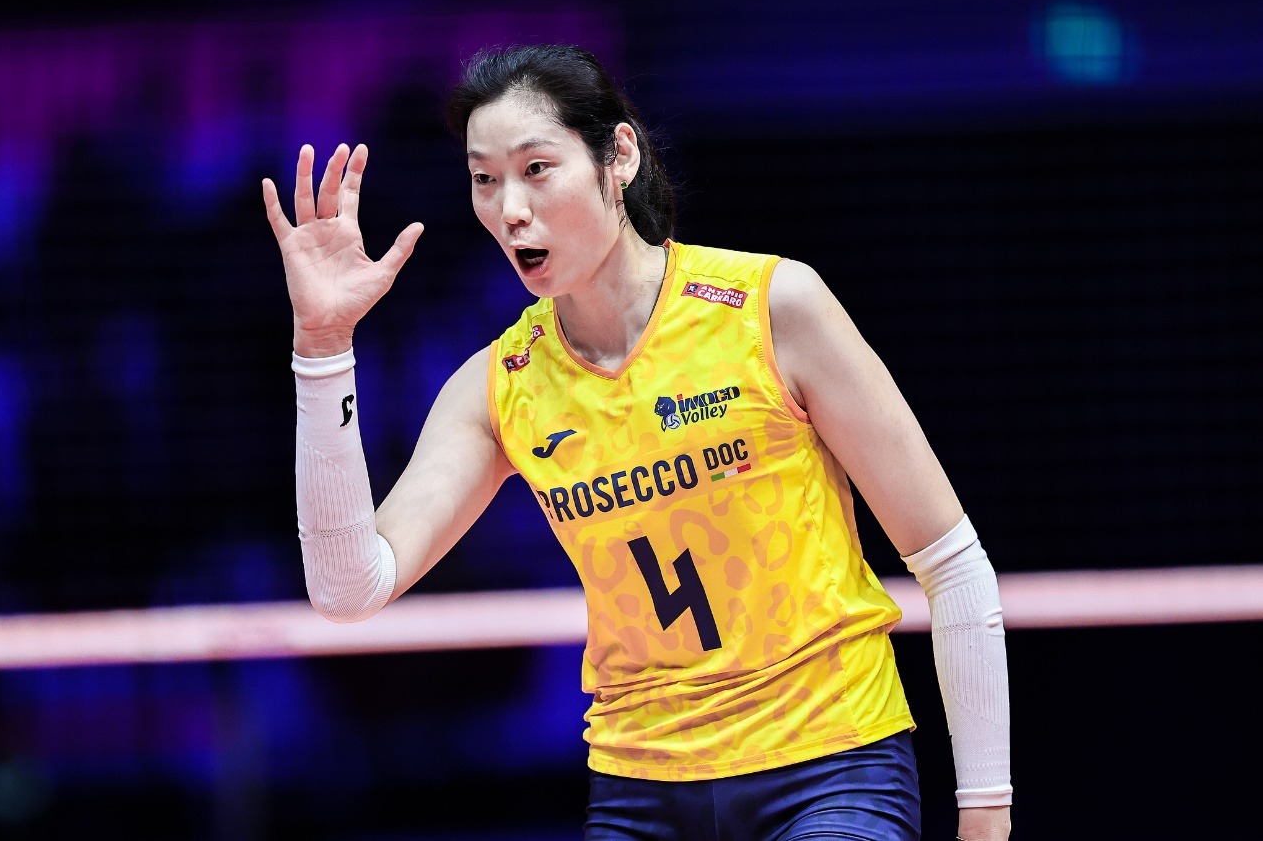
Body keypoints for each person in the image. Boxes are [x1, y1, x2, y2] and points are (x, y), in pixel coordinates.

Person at [261, 44, 1012, 841]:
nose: (509, 207)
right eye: (485, 179)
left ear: (617, 156)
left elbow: (951, 562)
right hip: (643, 793)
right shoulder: (498, 387)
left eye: (536, 168)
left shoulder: (769, 308)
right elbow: (347, 588)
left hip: (829, 769)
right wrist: (322, 344)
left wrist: (985, 814)